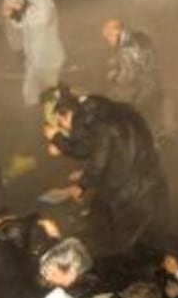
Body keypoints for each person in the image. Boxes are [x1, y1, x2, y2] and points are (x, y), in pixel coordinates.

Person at [46, 92, 170, 254]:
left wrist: (81, 185)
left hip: (132, 193)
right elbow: (107, 150)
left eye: (62, 124)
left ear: (67, 115)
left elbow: (97, 159)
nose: (65, 129)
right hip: (150, 184)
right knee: (145, 240)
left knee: (120, 240)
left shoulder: (100, 123)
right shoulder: (109, 113)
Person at [3, 0, 65, 107]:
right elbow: (24, 25)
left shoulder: (45, 6)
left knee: (49, 96)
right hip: (36, 61)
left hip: (47, 61)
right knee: (33, 95)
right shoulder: (33, 11)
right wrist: (13, 16)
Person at [101, 19, 174, 141]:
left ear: (115, 33)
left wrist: (114, 76)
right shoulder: (139, 36)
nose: (108, 42)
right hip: (155, 78)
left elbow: (128, 75)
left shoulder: (124, 49)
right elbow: (141, 57)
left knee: (124, 106)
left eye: (108, 38)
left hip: (142, 87)